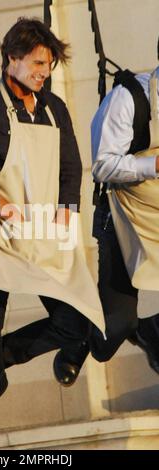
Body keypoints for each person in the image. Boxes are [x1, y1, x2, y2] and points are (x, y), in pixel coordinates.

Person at [0, 17, 105, 441]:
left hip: (47, 229)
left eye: (48, 64)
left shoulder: (54, 108)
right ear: (11, 58)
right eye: (37, 62)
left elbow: (71, 167)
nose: (43, 72)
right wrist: (5, 210)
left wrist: (67, 213)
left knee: (75, 323)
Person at [54, 48, 159, 384]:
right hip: (120, 219)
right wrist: (153, 165)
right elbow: (102, 166)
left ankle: (150, 329)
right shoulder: (127, 99)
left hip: (156, 216)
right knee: (111, 332)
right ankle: (73, 339)